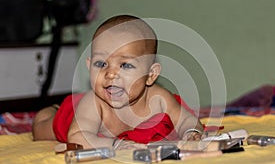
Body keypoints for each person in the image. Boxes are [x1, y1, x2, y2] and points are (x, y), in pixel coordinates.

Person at [32, 14, 203, 150]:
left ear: (151, 74)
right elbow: (77, 137)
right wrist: (113, 145)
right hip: (73, 116)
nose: (111, 74)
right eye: (101, 64)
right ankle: (50, 110)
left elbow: (186, 119)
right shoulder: (94, 102)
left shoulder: (159, 98)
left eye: (125, 65)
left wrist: (191, 132)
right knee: (41, 129)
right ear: (89, 65)